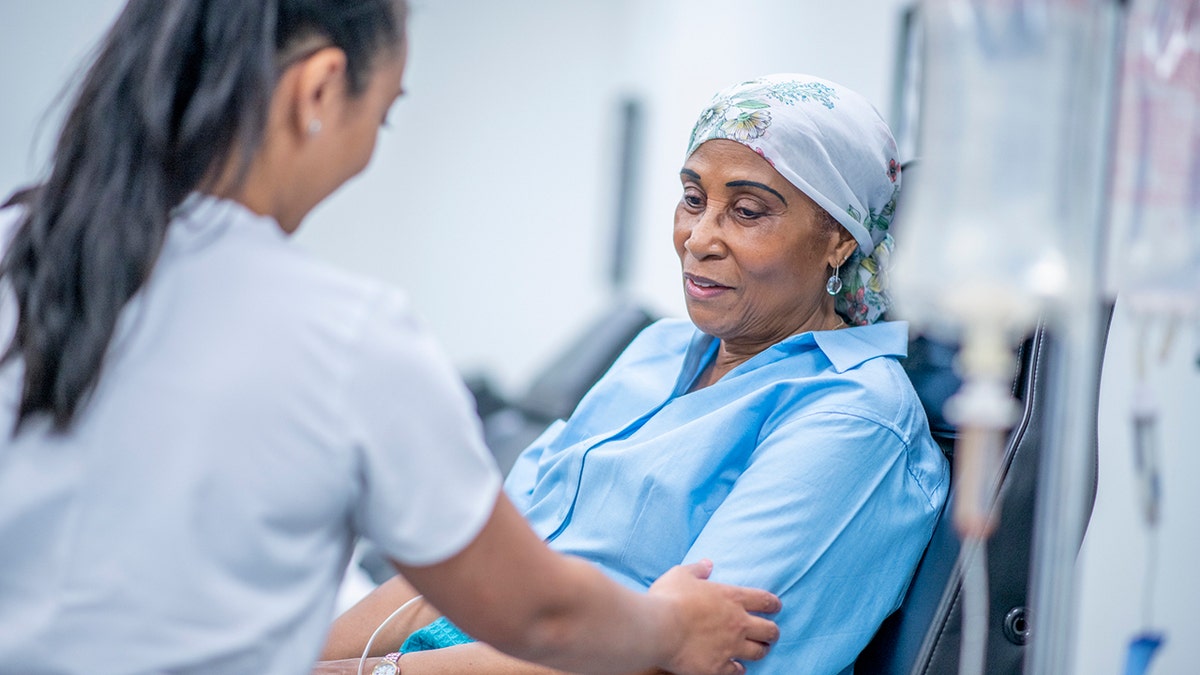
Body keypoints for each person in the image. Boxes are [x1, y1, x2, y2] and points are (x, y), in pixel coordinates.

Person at [0, 2, 783, 674]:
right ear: (318, 90)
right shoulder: (345, 338)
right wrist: (675, 625)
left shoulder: (15, 240)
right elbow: (540, 613)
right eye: (382, 114)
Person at [317, 74, 950, 674]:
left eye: (748, 211)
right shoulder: (661, 347)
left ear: (839, 238)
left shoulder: (852, 416)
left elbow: (678, 655)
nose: (699, 238)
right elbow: (477, 566)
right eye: (693, 199)